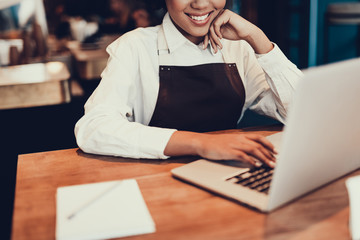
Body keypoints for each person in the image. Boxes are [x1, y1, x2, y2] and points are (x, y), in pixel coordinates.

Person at [75, 0, 303, 168]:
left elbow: (302, 115)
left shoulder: (238, 48)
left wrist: (258, 39)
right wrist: (201, 143)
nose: (201, 3)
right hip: (153, 177)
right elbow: (93, 128)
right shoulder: (134, 47)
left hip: (225, 173)